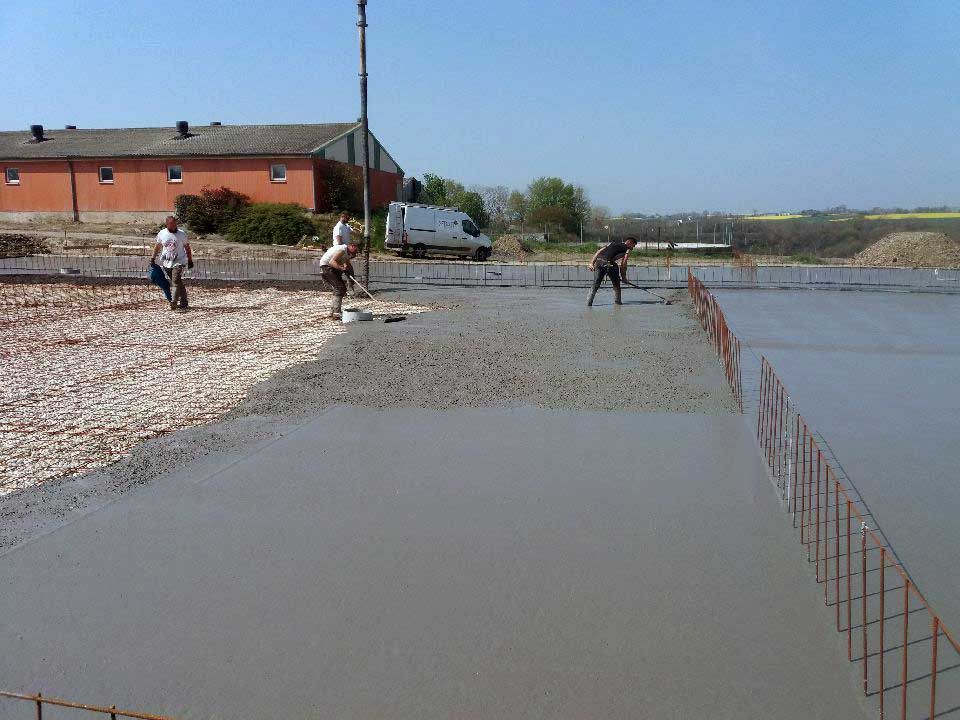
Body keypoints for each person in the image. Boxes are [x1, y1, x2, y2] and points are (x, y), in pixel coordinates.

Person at [152, 216, 193, 311]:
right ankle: (184, 302)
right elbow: (157, 247)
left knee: (175, 281)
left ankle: (173, 302)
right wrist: (152, 258)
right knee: (178, 282)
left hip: (179, 261)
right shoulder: (162, 233)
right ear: (167, 224)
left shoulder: (182, 234)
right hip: (167, 262)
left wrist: (190, 260)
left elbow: (187, 247)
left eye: (175, 224)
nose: (174, 226)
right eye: (172, 225)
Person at [587, 236, 638, 307]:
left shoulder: (612, 243)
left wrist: (591, 263)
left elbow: (599, 251)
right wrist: (623, 278)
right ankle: (618, 304)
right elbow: (623, 265)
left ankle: (589, 304)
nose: (633, 248)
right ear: (629, 242)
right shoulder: (627, 250)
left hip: (599, 262)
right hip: (609, 264)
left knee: (595, 284)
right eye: (633, 245)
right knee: (617, 285)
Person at [319, 242, 359, 319]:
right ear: (352, 246)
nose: (356, 253)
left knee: (338, 288)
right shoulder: (342, 249)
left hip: (331, 267)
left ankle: (333, 311)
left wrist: (350, 275)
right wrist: (341, 269)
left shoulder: (347, 253)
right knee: (340, 288)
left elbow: (347, 264)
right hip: (327, 267)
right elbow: (331, 262)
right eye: (356, 251)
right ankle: (336, 312)